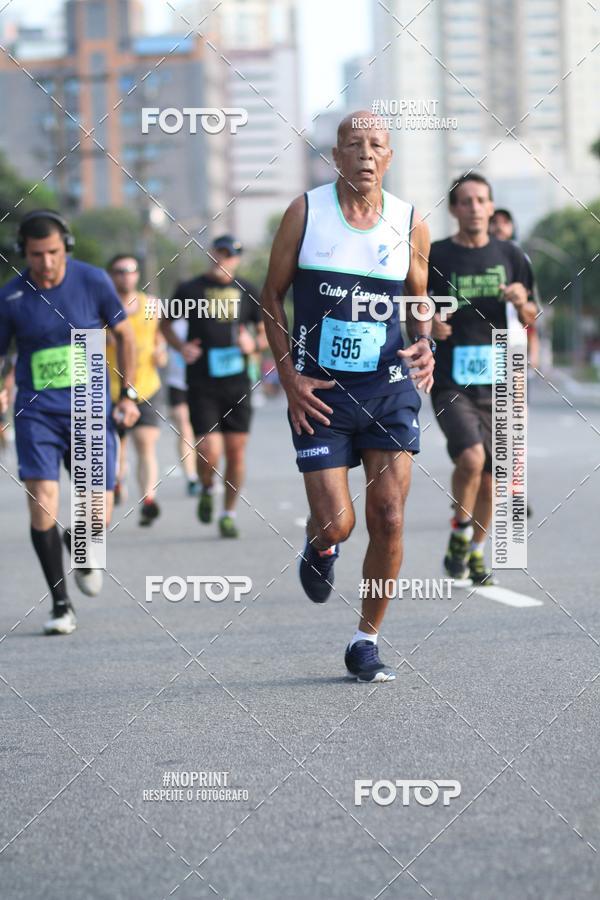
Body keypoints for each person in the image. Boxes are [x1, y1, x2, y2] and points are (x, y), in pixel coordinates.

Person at [261, 111, 435, 683]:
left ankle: (366, 639)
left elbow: (418, 299)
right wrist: (288, 377)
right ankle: (321, 545)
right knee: (337, 523)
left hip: (388, 391)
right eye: (352, 145)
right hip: (322, 395)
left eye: (376, 145)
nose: (364, 154)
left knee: (387, 517)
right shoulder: (305, 213)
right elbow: (272, 296)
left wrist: (426, 342)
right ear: (335, 156)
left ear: (389, 158)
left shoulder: (410, 221)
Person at [0, 210, 139, 635]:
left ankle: (82, 544)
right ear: (24, 251)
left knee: (97, 514)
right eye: (37, 254)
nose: (46, 262)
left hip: (90, 408)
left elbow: (125, 335)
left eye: (54, 253)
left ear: (67, 248)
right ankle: (61, 604)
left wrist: (128, 394)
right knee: (43, 499)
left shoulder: (93, 280)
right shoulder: (10, 298)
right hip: (36, 413)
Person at [429, 175, 538, 585]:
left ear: (491, 207)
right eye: (465, 201)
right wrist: (430, 323)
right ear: (454, 209)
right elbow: (416, 309)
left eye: (481, 200)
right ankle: (460, 529)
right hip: (451, 379)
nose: (474, 207)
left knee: (492, 479)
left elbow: (532, 316)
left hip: (501, 378)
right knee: (471, 458)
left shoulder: (511, 255)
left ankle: (473, 550)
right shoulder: (436, 255)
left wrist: (521, 302)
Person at [161, 234, 267, 539]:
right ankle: (207, 485)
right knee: (209, 450)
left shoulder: (247, 290)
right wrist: (182, 347)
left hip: (237, 383)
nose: (224, 259)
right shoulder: (190, 289)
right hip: (202, 381)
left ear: (237, 259)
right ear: (211, 254)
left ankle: (228, 513)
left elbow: (265, 334)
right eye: (220, 253)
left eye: (230, 255)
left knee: (236, 453)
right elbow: (166, 325)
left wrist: (253, 344)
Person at [106, 255, 166, 526]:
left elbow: (159, 336)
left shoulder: (151, 305)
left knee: (145, 444)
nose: (126, 276)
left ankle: (148, 499)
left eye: (131, 271)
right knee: (116, 446)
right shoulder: (101, 307)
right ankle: (117, 482)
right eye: (119, 271)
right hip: (111, 390)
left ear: (138, 274)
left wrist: (161, 350)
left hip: (145, 387)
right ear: (111, 275)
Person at [165, 316, 199, 496]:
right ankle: (191, 477)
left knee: (202, 432)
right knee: (185, 429)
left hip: (201, 384)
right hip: (177, 384)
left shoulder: (205, 320)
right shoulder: (171, 326)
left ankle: (205, 473)